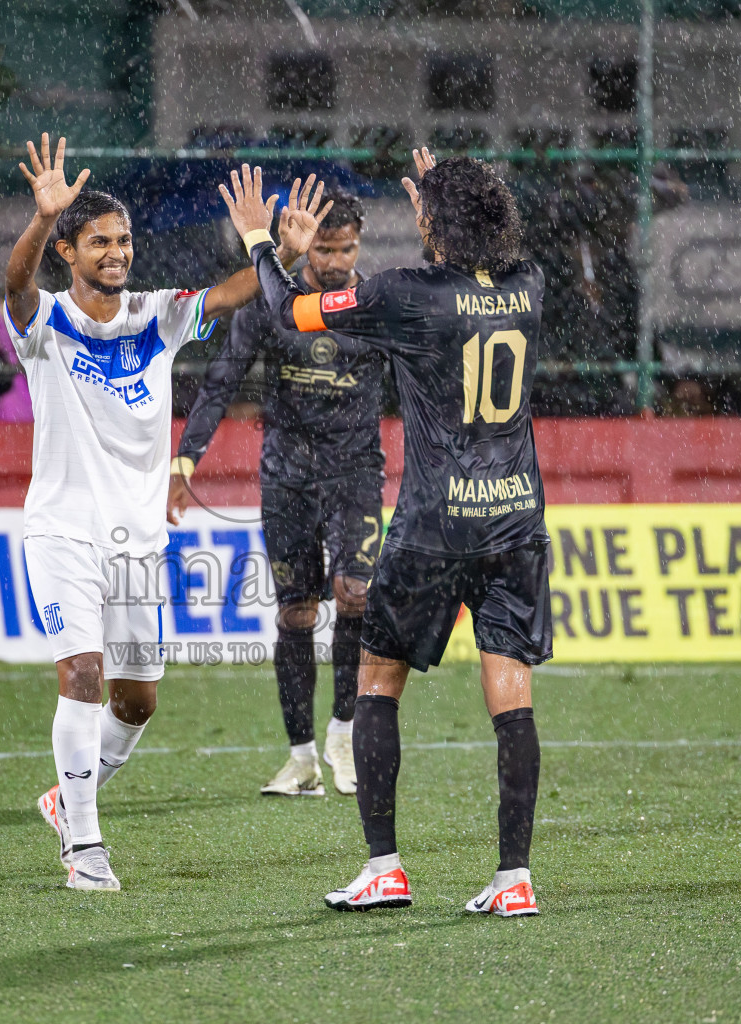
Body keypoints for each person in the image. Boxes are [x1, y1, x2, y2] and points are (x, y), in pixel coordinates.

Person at [220, 151, 551, 917]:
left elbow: (288, 314)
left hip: (436, 522)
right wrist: (454, 196)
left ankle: (386, 867)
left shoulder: (407, 295)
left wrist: (263, 247)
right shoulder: (529, 285)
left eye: (425, 214)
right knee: (511, 691)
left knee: (377, 680)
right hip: (515, 518)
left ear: (435, 223)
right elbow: (481, 260)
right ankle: (515, 879)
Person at [4, 135, 318, 892]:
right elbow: (14, 283)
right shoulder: (43, 321)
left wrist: (283, 254)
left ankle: (65, 798)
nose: (117, 253)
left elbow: (237, 292)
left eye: (124, 240)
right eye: (100, 242)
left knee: (137, 700)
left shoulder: (158, 315)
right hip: (62, 532)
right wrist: (41, 220)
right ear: (70, 253)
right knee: (80, 673)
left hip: (137, 543)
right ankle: (85, 848)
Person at [169, 190, 385, 799]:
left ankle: (343, 734)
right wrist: (185, 460)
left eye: (348, 249)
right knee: (297, 612)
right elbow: (221, 381)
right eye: (326, 248)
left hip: (354, 476)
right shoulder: (272, 305)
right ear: (307, 241)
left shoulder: (373, 305)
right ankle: (301, 761)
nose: (339, 261)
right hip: (287, 477)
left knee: (355, 594)